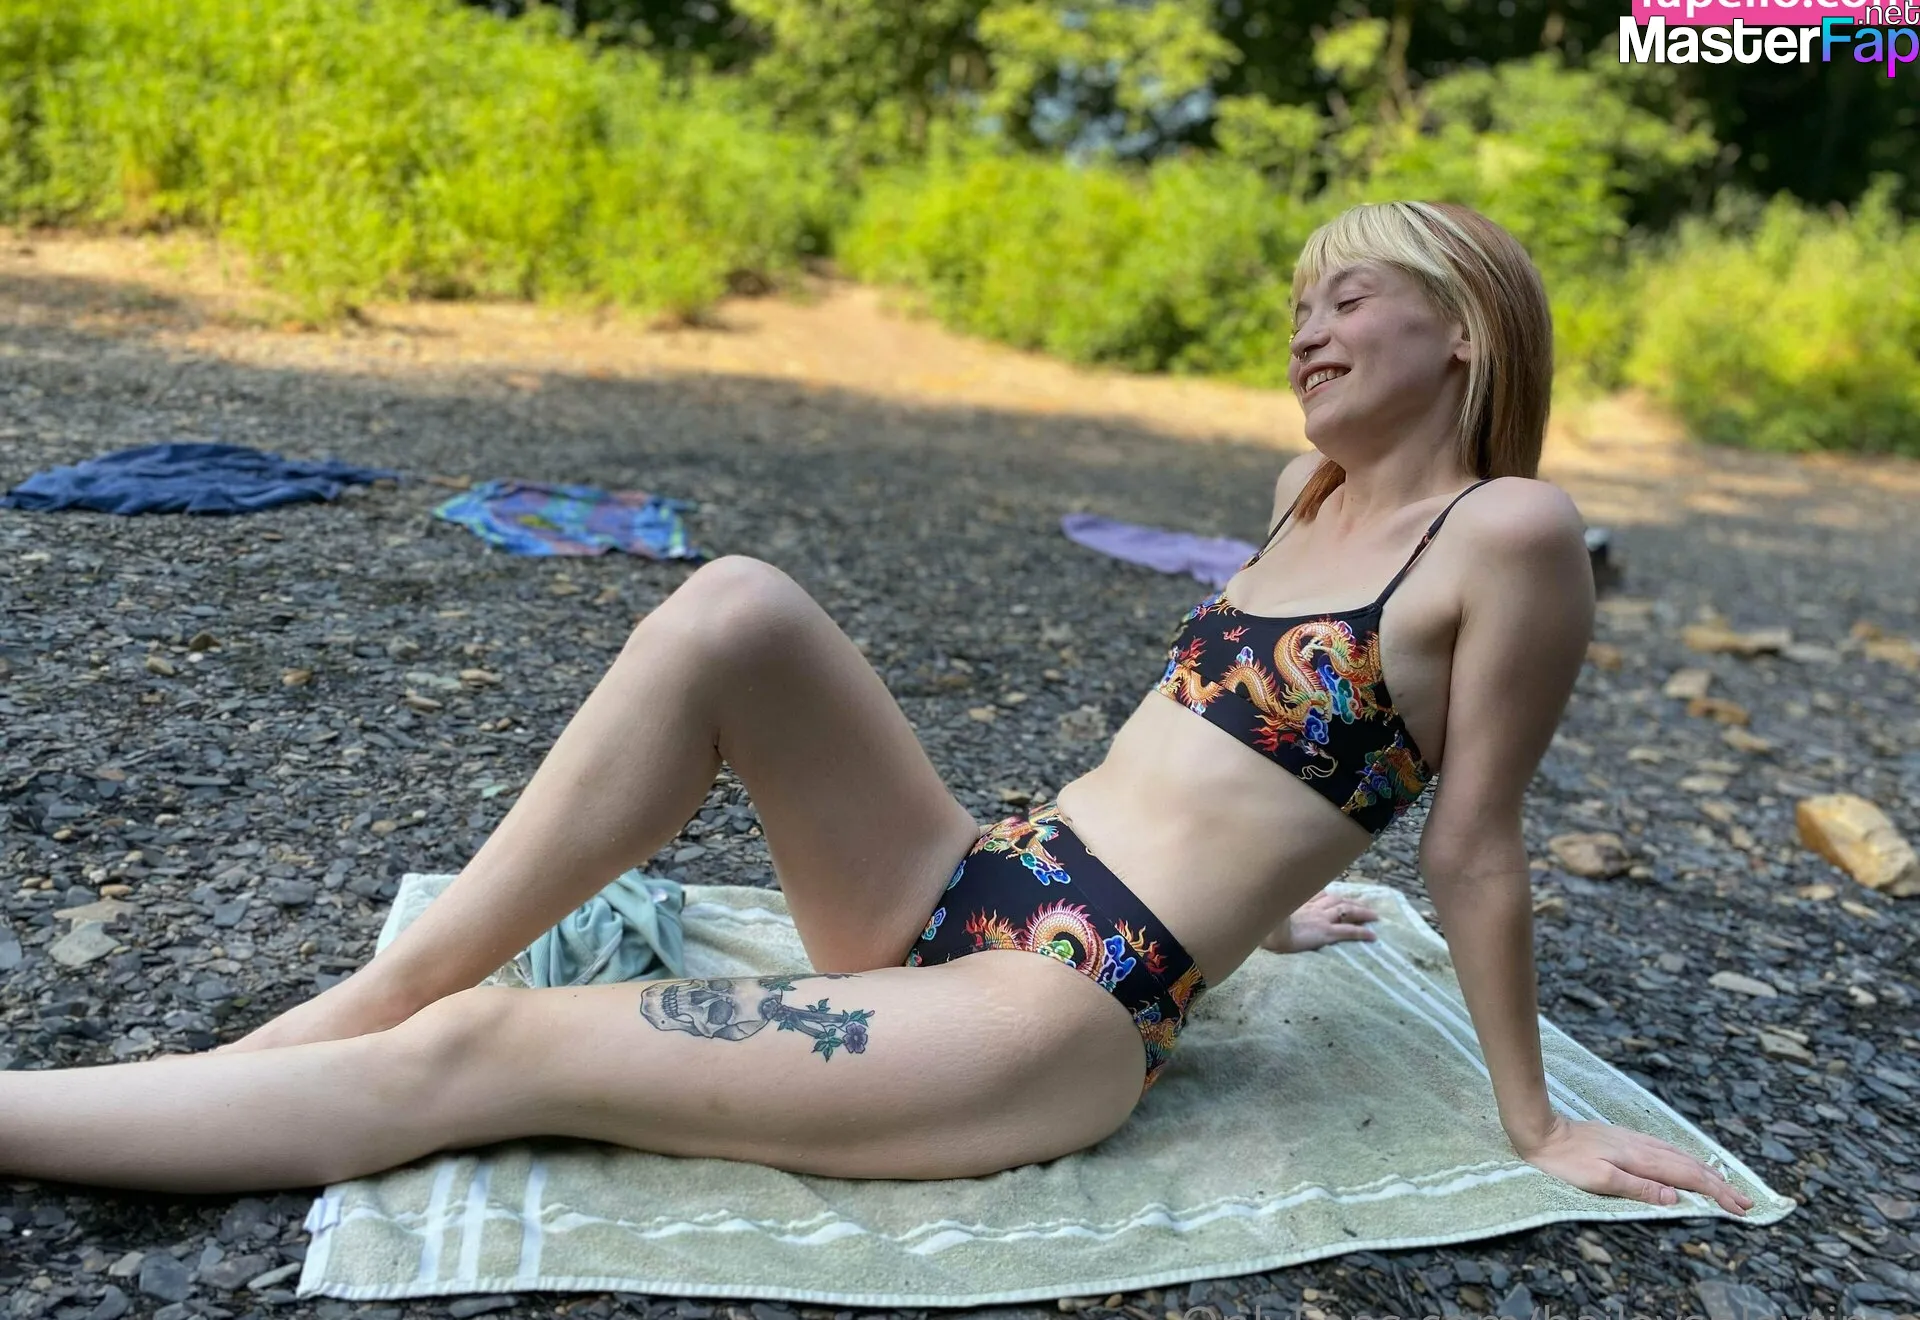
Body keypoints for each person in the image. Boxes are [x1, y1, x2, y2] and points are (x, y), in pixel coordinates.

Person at [0, 200, 1752, 1218]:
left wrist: (1534, 1124)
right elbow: (1244, 746)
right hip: (973, 875)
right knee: (736, 607)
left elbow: (1476, 840)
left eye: (1347, 297)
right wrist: (1284, 900)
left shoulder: (1511, 533)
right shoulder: (1306, 495)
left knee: (492, 1060)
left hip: (1058, 1008)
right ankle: (382, 988)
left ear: (1466, 328)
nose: (1306, 329)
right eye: (1299, 305)